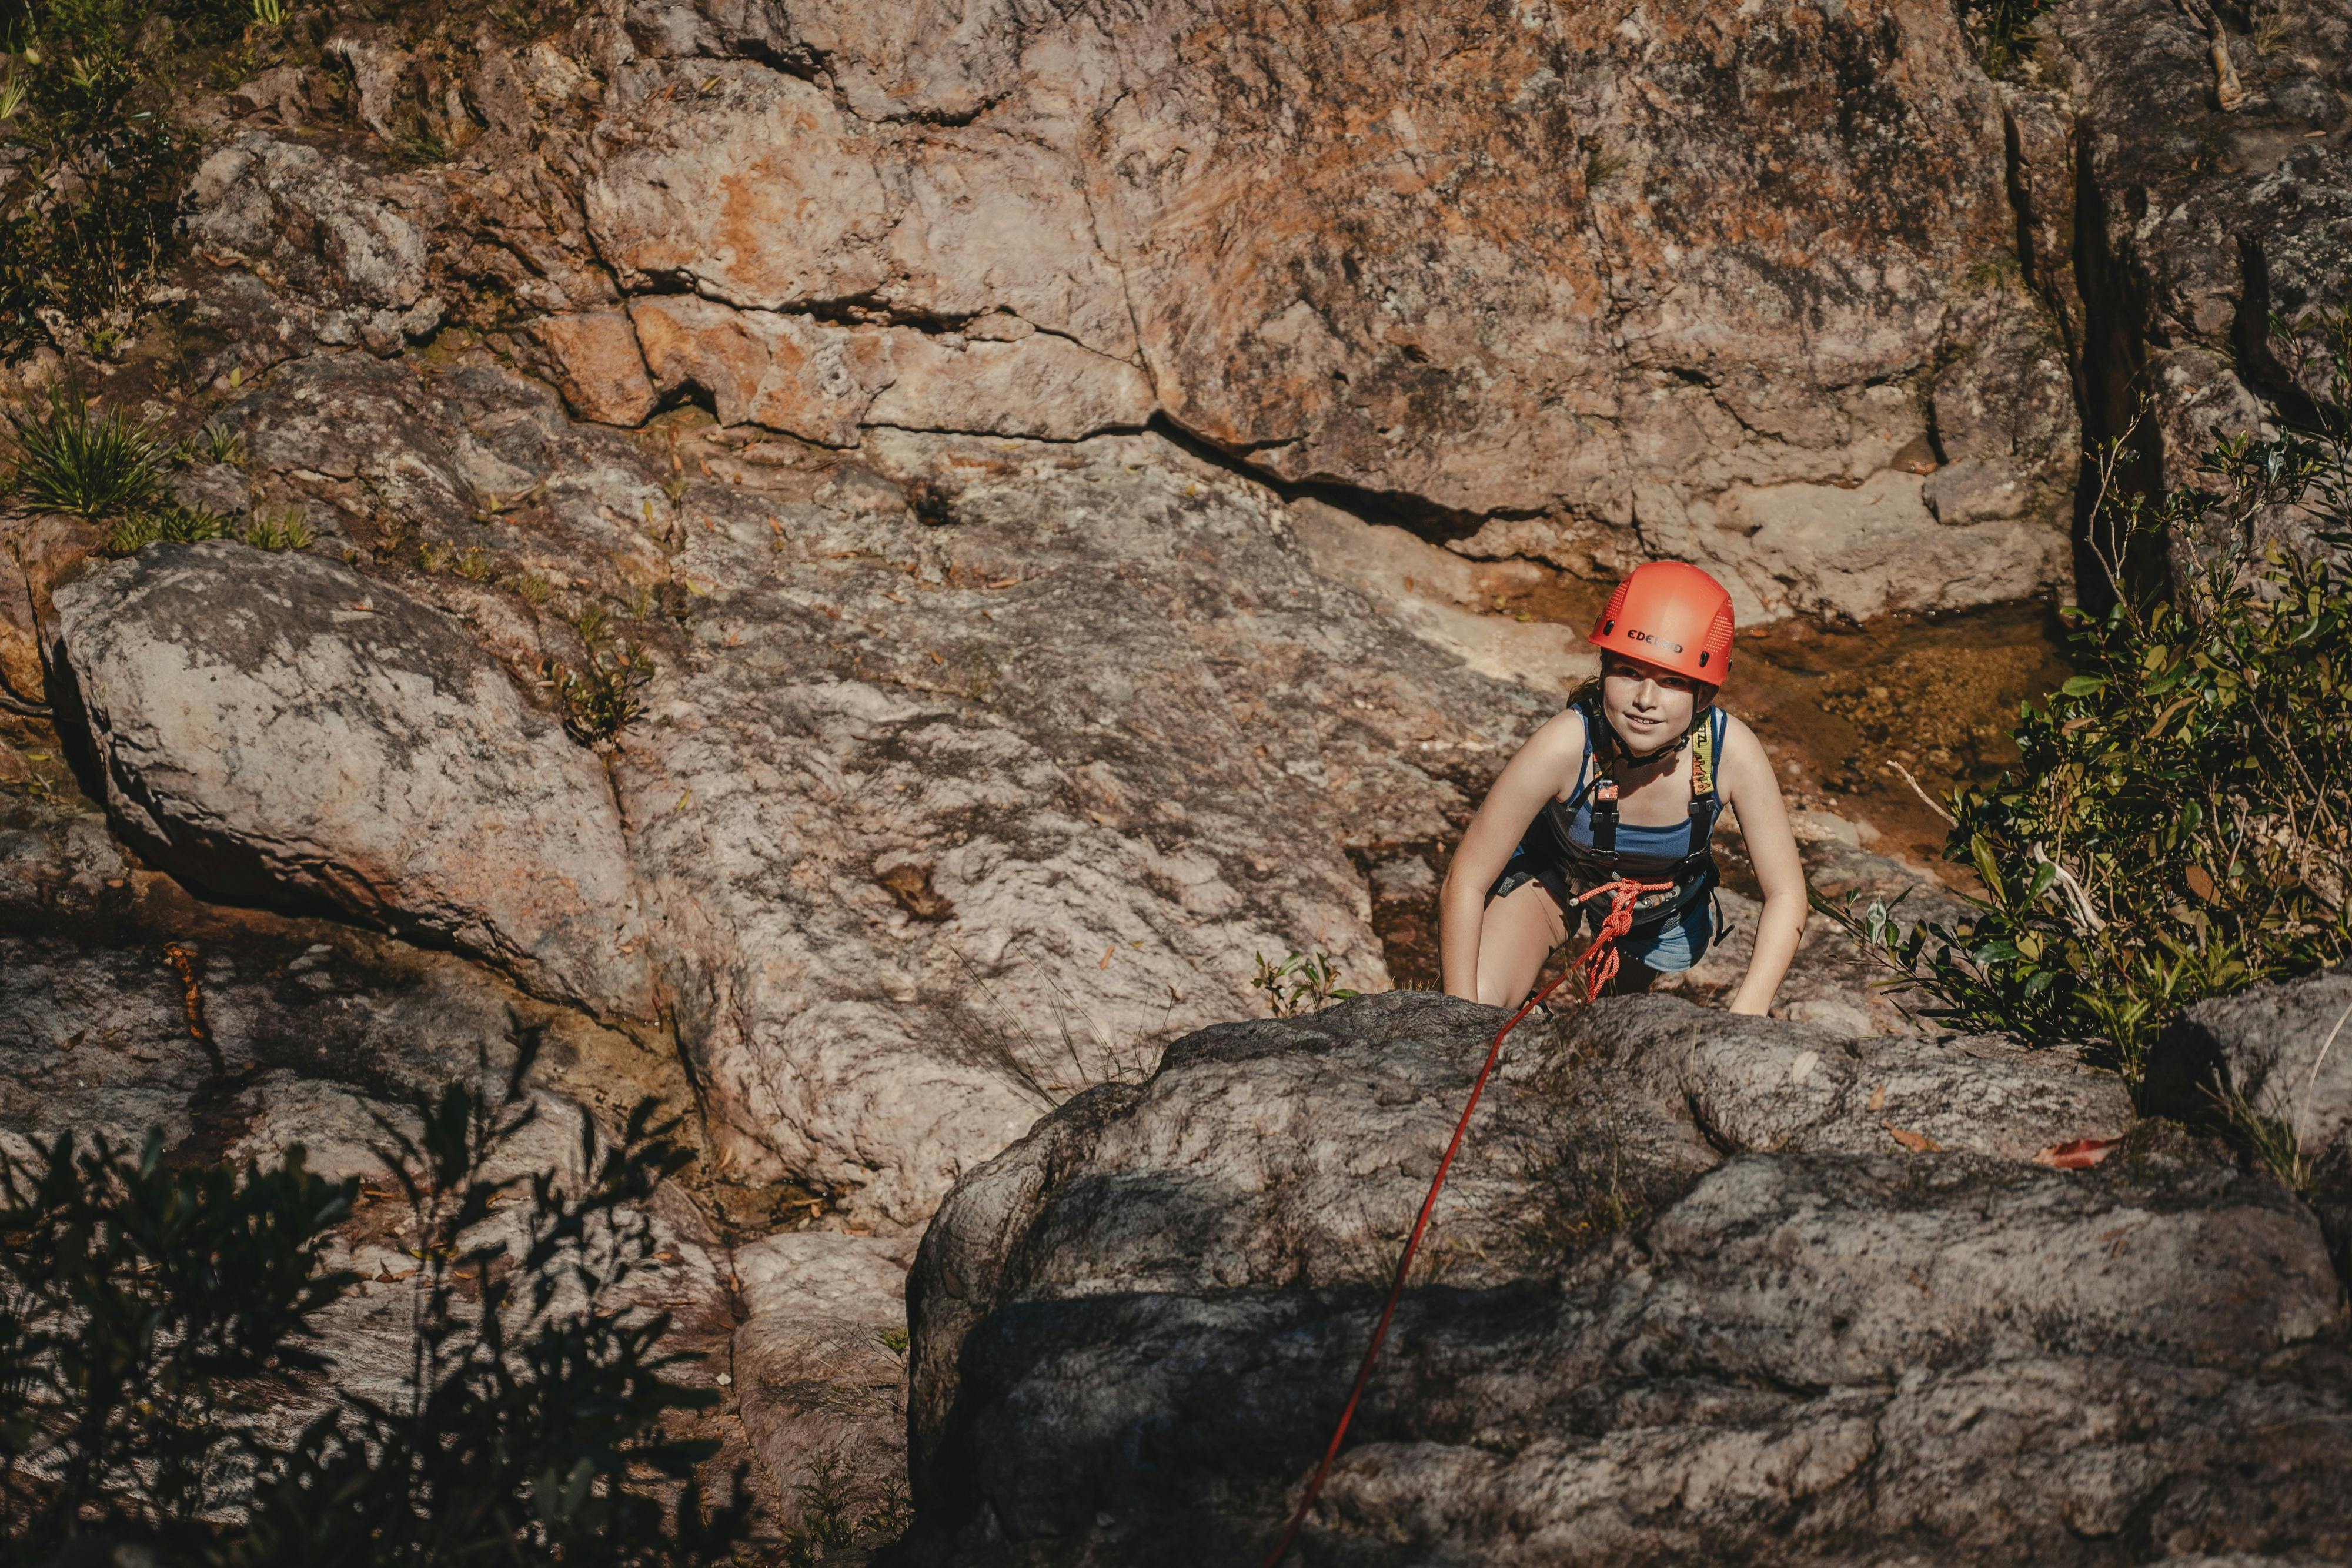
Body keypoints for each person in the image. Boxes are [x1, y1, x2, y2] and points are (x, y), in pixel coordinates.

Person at [1438, 561, 1806, 1014]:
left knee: (1613, 1021)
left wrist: (1745, 1015)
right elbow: (1466, 879)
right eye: (1629, 672)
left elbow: (1787, 895)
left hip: (1657, 908)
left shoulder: (1731, 754)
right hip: (1554, 879)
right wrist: (1454, 1022)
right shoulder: (1564, 745)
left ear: (1705, 695)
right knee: (1480, 991)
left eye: (1672, 681)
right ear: (1605, 666)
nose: (1646, 700)